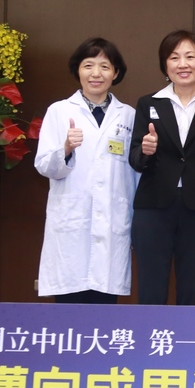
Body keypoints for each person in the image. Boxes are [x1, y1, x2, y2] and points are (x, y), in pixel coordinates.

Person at [129, 29, 195, 306]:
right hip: (153, 207)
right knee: (151, 288)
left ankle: (187, 345)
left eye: (190, 56)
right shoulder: (148, 103)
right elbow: (135, 159)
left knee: (192, 287)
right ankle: (150, 343)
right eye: (174, 57)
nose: (182, 64)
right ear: (165, 65)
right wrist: (146, 151)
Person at [35, 38, 137, 303]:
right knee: (69, 310)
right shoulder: (58, 111)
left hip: (112, 223)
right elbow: (44, 165)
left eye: (105, 66)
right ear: (77, 70)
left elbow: (135, 175)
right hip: (71, 225)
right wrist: (66, 148)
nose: (96, 73)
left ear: (115, 73)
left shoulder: (128, 116)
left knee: (104, 310)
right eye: (88, 65)